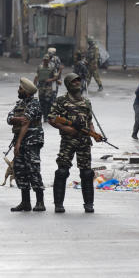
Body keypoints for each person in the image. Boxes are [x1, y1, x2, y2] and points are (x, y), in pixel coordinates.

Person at [48, 73, 101, 214]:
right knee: (62, 171)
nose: (77, 83)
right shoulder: (60, 101)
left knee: (87, 173)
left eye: (78, 80)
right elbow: (52, 119)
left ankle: (89, 204)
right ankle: (58, 204)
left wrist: (94, 134)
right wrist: (67, 129)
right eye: (73, 81)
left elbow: (89, 121)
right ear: (68, 84)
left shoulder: (86, 102)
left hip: (84, 141)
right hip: (68, 141)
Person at [6, 77, 46, 212]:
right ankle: (25, 202)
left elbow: (26, 123)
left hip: (32, 141)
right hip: (21, 142)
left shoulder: (34, 104)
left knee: (33, 170)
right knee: (19, 170)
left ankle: (40, 201)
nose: (18, 90)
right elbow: (9, 118)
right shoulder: (20, 104)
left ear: (27, 91)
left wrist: (17, 144)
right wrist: (17, 119)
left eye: (20, 89)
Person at [35, 54, 57, 120]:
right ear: (43, 60)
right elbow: (36, 76)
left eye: (47, 60)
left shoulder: (52, 68)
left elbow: (56, 77)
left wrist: (51, 79)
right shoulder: (39, 67)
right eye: (44, 60)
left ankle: (47, 115)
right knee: (41, 101)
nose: (45, 61)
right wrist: (34, 85)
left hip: (48, 88)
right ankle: (44, 115)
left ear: (49, 60)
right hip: (41, 87)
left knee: (48, 101)